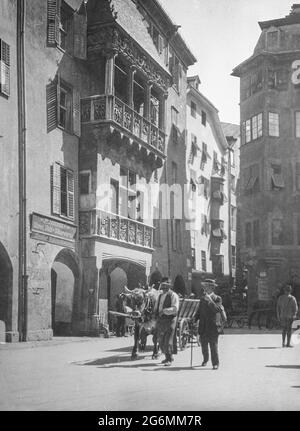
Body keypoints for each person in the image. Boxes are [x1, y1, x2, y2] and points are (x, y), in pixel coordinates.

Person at [195, 281, 226, 370]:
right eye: (205, 286)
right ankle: (205, 359)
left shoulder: (217, 298)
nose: (205, 288)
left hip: (213, 326)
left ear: (212, 288)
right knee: (204, 345)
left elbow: (217, 310)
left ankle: (215, 363)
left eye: (207, 286)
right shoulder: (202, 298)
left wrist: (210, 301)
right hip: (203, 325)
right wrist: (195, 319)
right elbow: (199, 311)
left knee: (213, 346)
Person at [154, 277, 179, 366]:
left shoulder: (173, 295)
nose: (163, 287)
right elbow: (156, 307)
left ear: (169, 286)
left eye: (165, 285)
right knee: (160, 340)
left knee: (168, 340)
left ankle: (169, 359)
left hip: (170, 319)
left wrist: (164, 311)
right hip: (161, 320)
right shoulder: (160, 296)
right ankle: (168, 356)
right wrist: (155, 313)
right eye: (162, 285)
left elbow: (175, 309)